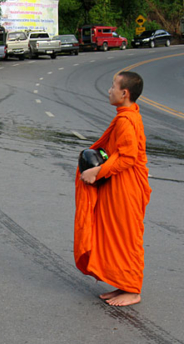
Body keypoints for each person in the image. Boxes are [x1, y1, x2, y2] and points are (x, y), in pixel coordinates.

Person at [74, 71, 152, 307]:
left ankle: (133, 289)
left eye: (113, 86)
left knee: (126, 238)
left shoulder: (127, 121)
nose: (110, 90)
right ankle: (122, 284)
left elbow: (127, 158)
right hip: (118, 186)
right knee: (114, 236)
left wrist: (95, 172)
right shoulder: (127, 116)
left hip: (126, 189)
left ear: (124, 93)